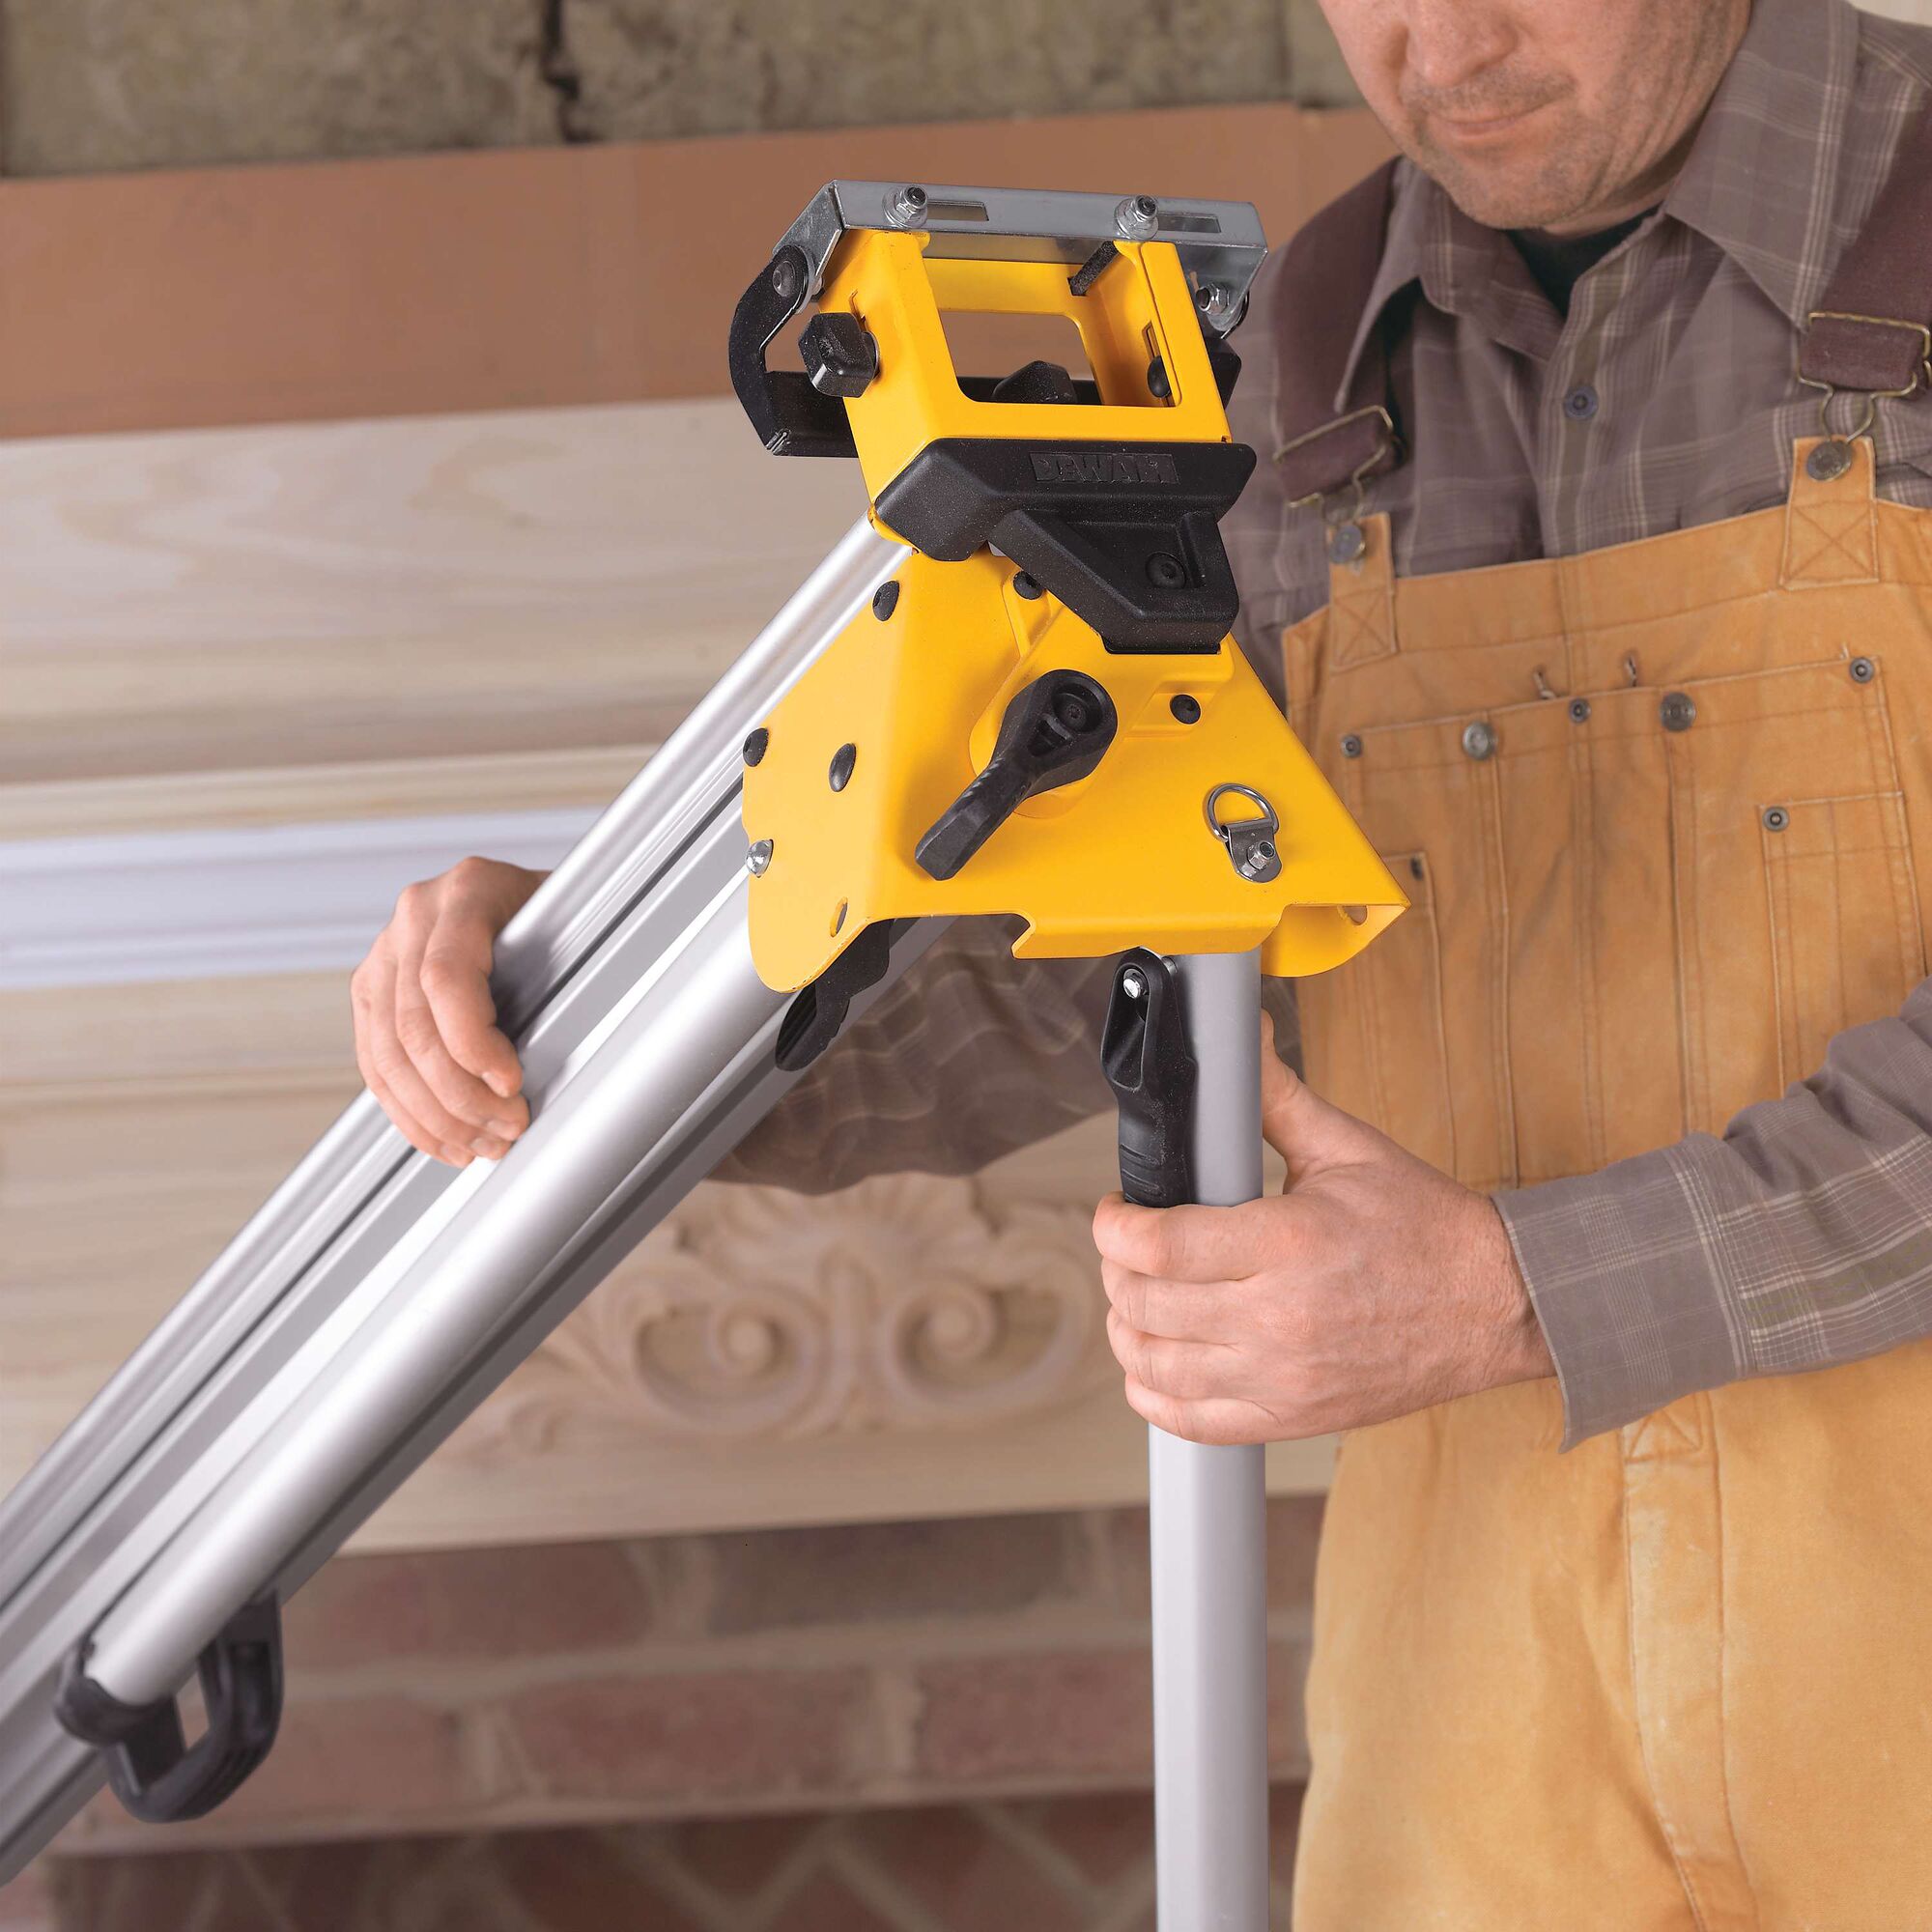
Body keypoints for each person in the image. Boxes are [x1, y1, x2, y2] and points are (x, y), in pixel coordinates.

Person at [351, 0, 1932, 1919]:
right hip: (1487, 1712)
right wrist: (591, 985)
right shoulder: (1303, 357)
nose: (1442, 42)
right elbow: (1062, 965)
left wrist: (1518, 1296)